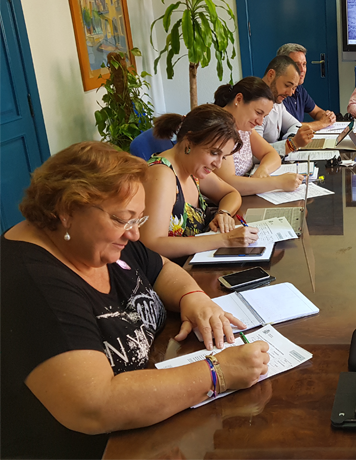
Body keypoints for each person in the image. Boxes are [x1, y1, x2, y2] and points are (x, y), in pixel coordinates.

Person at [1, 142, 270, 459]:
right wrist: (216, 373)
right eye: (124, 219)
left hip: (158, 419)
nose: (132, 234)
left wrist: (193, 298)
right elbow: (95, 406)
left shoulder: (98, 237)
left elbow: (161, 269)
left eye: (138, 220)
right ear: (67, 210)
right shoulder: (30, 284)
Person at [142, 104, 259, 259]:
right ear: (189, 142)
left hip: (198, 260)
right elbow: (152, 244)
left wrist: (223, 213)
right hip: (178, 270)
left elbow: (231, 193)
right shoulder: (161, 175)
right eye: (214, 153)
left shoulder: (191, 167)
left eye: (223, 157)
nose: (218, 164)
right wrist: (224, 239)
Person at [212, 76, 304, 195]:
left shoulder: (243, 126)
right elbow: (229, 183)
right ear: (238, 99)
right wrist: (277, 183)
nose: (260, 122)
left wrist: (262, 170)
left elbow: (272, 154)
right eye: (258, 113)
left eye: (264, 116)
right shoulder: (219, 128)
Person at [255, 55, 315, 155]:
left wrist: (291, 138)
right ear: (271, 75)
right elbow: (254, 153)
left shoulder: (277, 101)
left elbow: (295, 125)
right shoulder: (254, 103)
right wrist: (291, 144)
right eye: (287, 85)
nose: (290, 93)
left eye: (293, 88)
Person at [276, 43, 336, 130]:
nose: (302, 69)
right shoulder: (279, 93)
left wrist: (327, 116)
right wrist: (321, 123)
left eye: (304, 64)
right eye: (297, 65)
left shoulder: (299, 89)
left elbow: (316, 112)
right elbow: (290, 127)